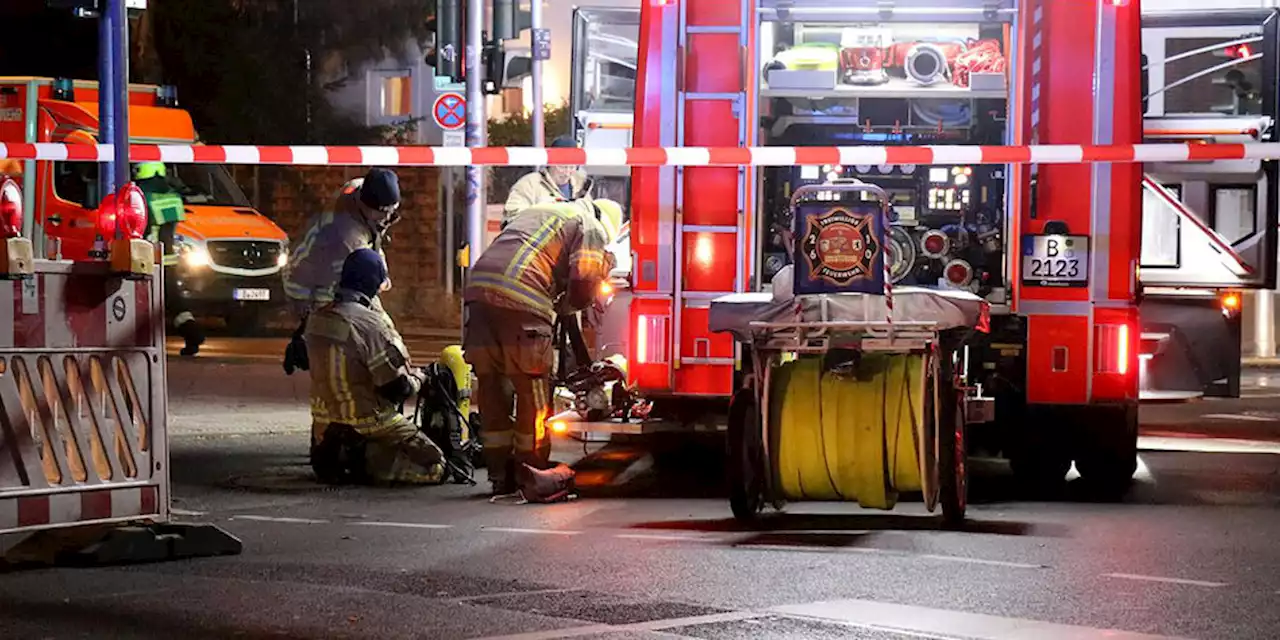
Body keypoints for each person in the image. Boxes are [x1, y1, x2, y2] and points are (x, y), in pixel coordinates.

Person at [463, 198, 623, 496]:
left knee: (491, 386)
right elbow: (584, 281)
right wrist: (577, 302)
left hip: (478, 290)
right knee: (531, 387)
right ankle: (532, 469)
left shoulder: (544, 212)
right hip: (522, 295)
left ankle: (499, 474)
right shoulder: (591, 226)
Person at [306, 248, 446, 485]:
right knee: (436, 467)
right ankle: (362, 462)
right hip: (368, 421)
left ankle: (338, 453)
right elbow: (395, 388)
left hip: (325, 422)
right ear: (372, 283)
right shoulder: (370, 324)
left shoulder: (317, 318)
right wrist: (422, 378)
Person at [282, 168, 402, 374]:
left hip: (319, 271)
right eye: (382, 213)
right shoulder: (348, 237)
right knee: (374, 328)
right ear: (365, 206)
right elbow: (370, 283)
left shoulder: (356, 188)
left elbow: (373, 244)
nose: (387, 217)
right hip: (308, 288)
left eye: (392, 210)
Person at [134, 162, 205, 356]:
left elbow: (140, 227)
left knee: (144, 301)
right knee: (173, 301)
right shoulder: (172, 194)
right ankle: (192, 334)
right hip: (169, 258)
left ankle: (142, 343)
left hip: (147, 256)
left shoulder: (141, 194)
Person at [502, 137, 592, 228]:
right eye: (562, 166)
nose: (567, 173)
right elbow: (512, 219)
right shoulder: (529, 184)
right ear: (550, 163)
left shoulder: (582, 185)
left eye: (572, 167)